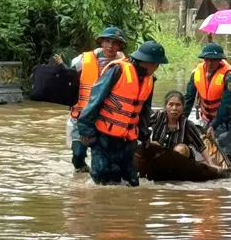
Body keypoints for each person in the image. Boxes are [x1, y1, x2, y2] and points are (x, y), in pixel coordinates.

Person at [77, 41, 168, 186]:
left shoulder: (149, 80)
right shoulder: (117, 70)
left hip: (127, 140)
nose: (157, 67)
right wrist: (86, 130)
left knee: (131, 182)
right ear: (146, 62)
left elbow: (145, 110)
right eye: (156, 64)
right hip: (104, 137)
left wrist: (144, 136)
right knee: (102, 177)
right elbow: (95, 100)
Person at [54, 26, 127, 173]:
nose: (110, 46)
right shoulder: (83, 60)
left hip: (108, 118)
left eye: (115, 43)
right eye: (107, 41)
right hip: (82, 116)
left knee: (103, 158)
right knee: (78, 154)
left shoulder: (126, 65)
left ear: (120, 46)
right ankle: (81, 170)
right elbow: (69, 79)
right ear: (101, 42)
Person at [184, 43, 231, 163]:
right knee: (204, 149)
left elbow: (226, 104)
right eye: (208, 59)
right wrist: (181, 120)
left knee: (226, 152)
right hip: (206, 116)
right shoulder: (196, 73)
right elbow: (188, 99)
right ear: (204, 59)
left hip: (227, 119)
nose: (210, 63)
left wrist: (214, 126)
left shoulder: (228, 77)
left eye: (214, 60)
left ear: (220, 60)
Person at [149, 90, 218, 167]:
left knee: (181, 149)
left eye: (178, 105)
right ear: (166, 106)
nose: (174, 108)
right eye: (171, 104)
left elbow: (200, 147)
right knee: (154, 144)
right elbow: (141, 127)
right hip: (161, 156)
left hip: (181, 161)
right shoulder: (158, 117)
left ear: (183, 107)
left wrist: (211, 164)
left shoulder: (188, 125)